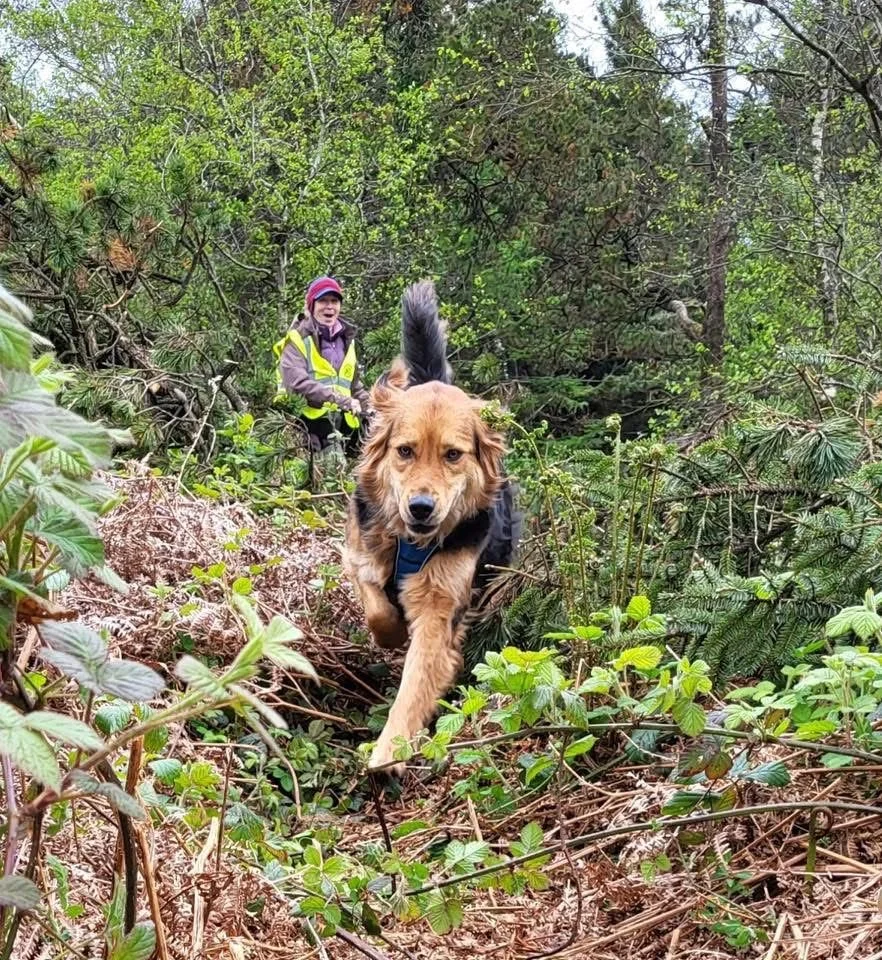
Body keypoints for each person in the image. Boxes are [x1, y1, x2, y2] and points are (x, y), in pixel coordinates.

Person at [274, 276, 370, 454]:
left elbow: (355, 387)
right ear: (312, 305)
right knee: (332, 475)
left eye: (334, 301)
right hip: (306, 429)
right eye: (323, 301)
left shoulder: (347, 341)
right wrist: (342, 401)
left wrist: (371, 408)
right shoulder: (296, 339)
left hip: (343, 430)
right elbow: (296, 385)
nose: (330, 306)